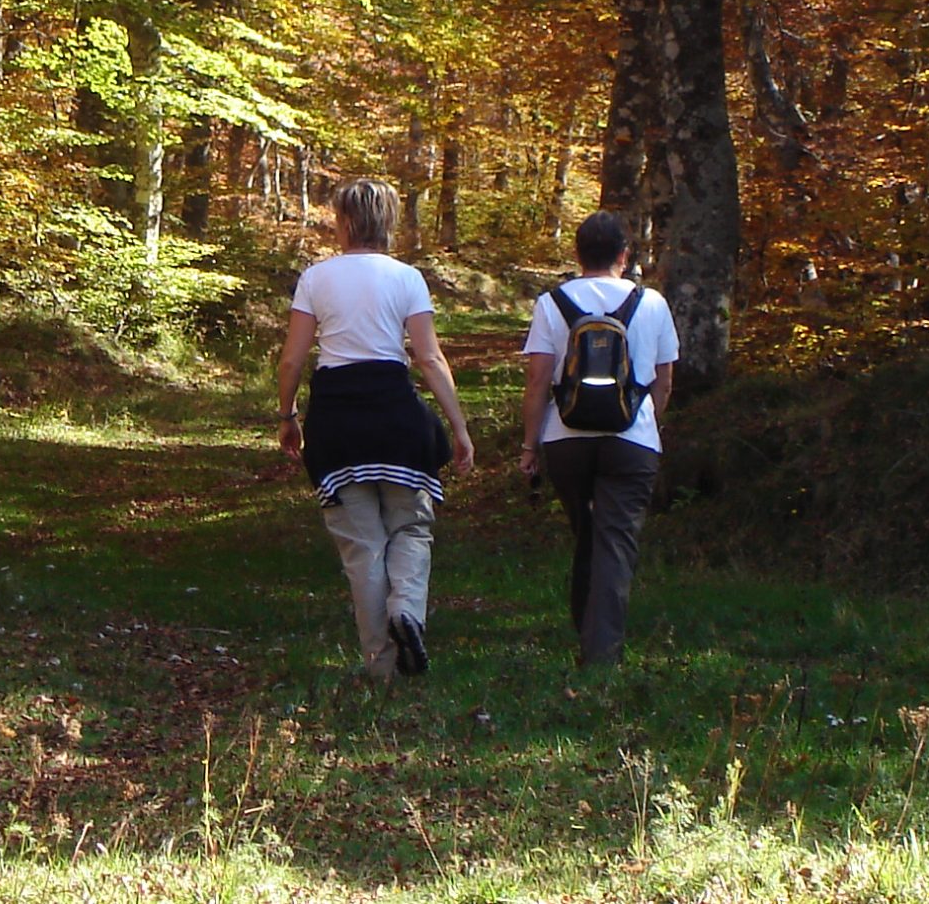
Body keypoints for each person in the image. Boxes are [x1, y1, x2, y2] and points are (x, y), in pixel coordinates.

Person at [277, 178, 477, 678]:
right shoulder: (407, 278)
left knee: (362, 546)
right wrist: (459, 427)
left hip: (337, 424)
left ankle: (380, 666)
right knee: (410, 526)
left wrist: (287, 417)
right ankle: (406, 608)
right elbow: (429, 359)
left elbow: (292, 360)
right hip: (398, 420)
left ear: (343, 222)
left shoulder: (316, 279)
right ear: (387, 222)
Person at [519, 211, 678, 668]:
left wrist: (530, 446)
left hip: (566, 439)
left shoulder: (552, 302)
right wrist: (648, 422)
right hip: (633, 438)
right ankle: (601, 654)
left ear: (577, 254)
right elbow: (664, 381)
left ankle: (587, 627)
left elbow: (537, 381)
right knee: (615, 539)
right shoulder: (652, 304)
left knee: (587, 532)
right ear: (624, 256)